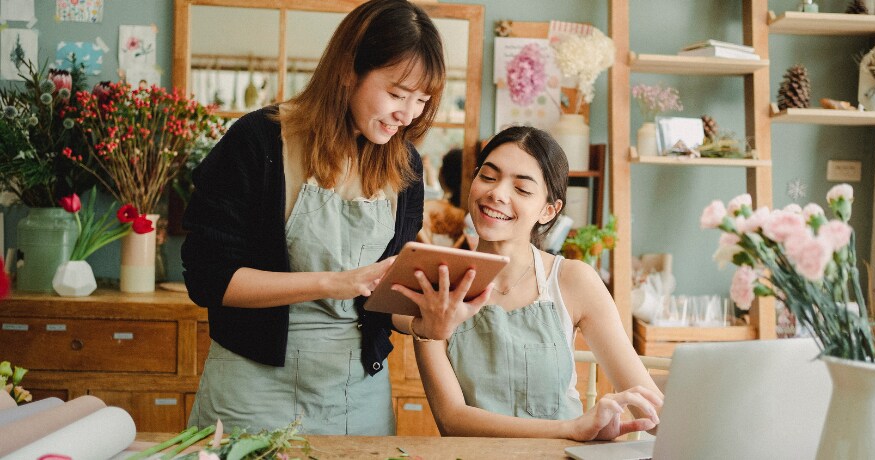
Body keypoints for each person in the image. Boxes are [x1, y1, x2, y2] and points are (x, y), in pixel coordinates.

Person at [181, 0, 490, 435]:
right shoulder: (258, 142)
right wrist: (335, 283)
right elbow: (209, 278)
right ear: (349, 71)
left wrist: (428, 318)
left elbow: (388, 303)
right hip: (250, 392)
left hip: (356, 393)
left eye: (422, 100)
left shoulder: (405, 167)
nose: (409, 114)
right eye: (397, 94)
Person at [394, 126, 664, 441]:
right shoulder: (436, 283)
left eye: (522, 189)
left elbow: (652, 410)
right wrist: (572, 428)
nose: (497, 193)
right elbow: (451, 419)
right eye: (489, 177)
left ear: (549, 210)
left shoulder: (572, 280)